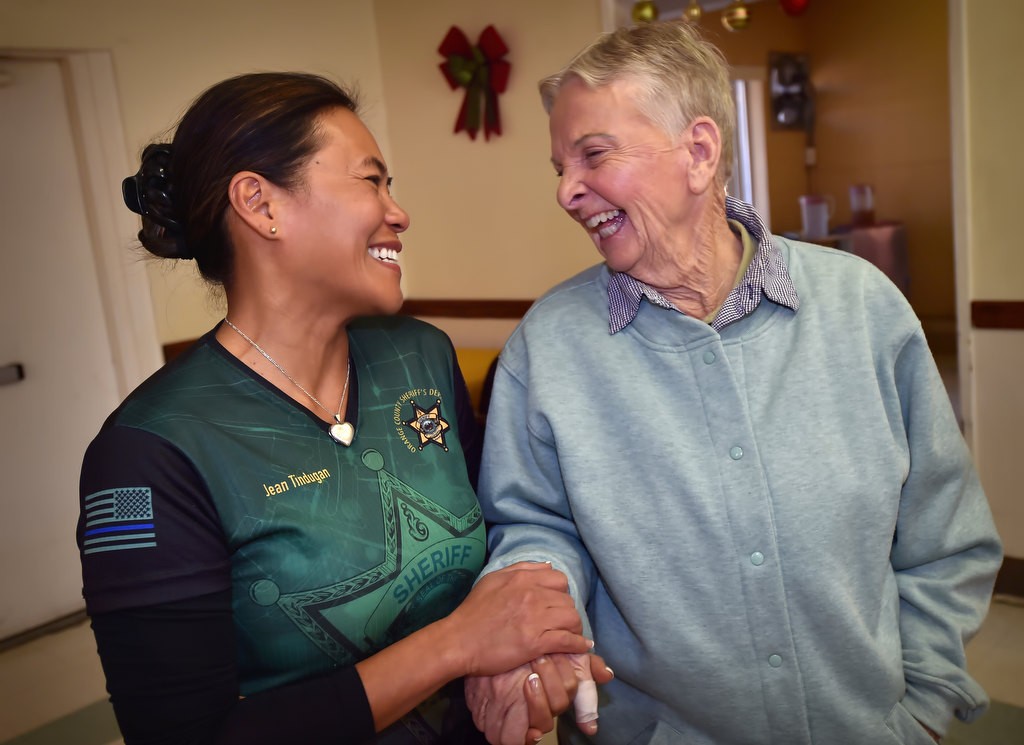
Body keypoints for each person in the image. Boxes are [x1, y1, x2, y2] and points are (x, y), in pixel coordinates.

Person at [466, 20, 1003, 745]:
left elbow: (946, 537)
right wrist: (536, 615)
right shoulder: (548, 348)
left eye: (592, 155)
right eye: (559, 166)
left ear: (699, 152)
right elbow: (534, 528)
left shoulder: (863, 307)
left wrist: (922, 709)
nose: (567, 191)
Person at [76, 71, 598, 745]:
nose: (398, 211)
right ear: (260, 203)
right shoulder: (152, 450)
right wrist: (456, 645)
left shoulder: (419, 358)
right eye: (370, 180)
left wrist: (527, 662)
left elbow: (498, 540)